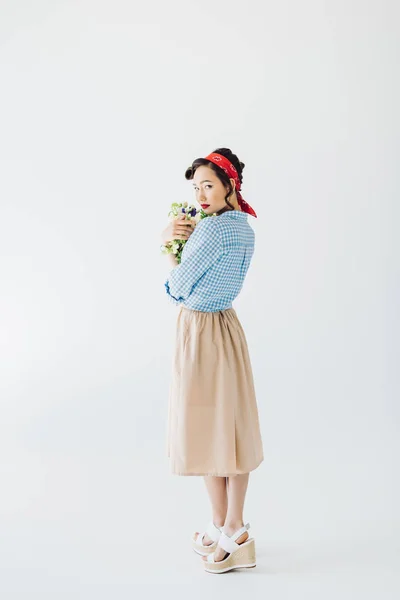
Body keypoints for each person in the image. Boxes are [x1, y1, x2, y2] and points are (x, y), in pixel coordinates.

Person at [160, 148, 264, 574]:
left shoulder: (208, 232)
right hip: (228, 327)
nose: (201, 194)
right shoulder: (244, 229)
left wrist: (170, 243)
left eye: (208, 184)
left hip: (200, 330)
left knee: (206, 429)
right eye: (196, 186)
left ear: (229, 186)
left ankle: (231, 527)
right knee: (232, 428)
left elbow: (176, 287)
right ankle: (228, 526)